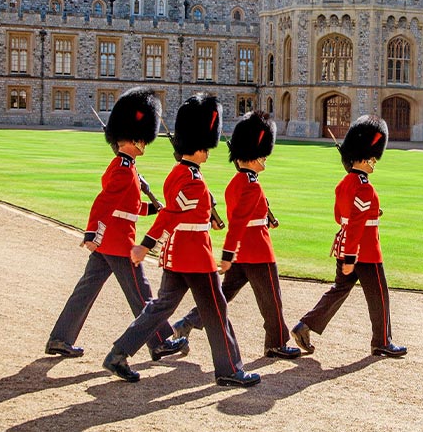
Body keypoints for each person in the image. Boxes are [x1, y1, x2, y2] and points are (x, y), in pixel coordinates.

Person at [103, 94, 259, 387]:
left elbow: (183, 210)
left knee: (159, 308)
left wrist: (208, 217)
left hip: (178, 255)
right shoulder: (193, 179)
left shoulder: (181, 174)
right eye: (206, 148)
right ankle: (229, 370)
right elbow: (171, 214)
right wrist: (145, 245)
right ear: (200, 147)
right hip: (194, 256)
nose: (208, 153)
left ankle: (118, 353)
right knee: (216, 310)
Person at [46, 87, 188, 362]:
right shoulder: (124, 170)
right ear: (136, 139)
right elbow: (104, 203)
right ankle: (160, 341)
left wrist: (151, 209)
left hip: (109, 243)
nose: (146, 144)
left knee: (85, 291)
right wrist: (92, 232)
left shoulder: (125, 166)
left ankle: (60, 338)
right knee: (143, 293)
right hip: (119, 243)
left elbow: (126, 207)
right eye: (144, 140)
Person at [171, 111, 301, 359]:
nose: (265, 158)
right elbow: (240, 221)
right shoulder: (251, 184)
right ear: (251, 156)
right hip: (258, 250)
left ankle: (186, 323)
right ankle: (276, 343)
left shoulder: (237, 182)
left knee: (222, 296)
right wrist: (228, 252)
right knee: (272, 301)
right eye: (261, 154)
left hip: (242, 251)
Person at [291, 115, 406, 358]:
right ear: (363, 158)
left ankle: (305, 325)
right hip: (364, 252)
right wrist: (352, 258)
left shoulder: (344, 183)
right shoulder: (364, 186)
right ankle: (382, 341)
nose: (375, 162)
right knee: (379, 297)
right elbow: (355, 223)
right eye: (372, 158)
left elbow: (340, 216)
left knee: (338, 291)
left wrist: (371, 215)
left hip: (346, 248)